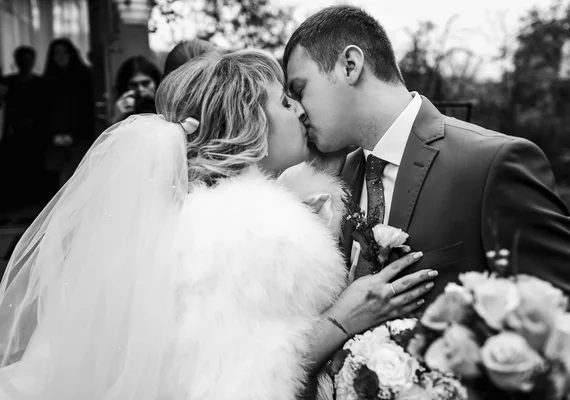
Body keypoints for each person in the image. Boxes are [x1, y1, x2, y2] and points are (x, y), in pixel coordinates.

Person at [0, 49, 436, 399]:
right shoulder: (241, 228)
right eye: (285, 101)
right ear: (252, 123)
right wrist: (345, 318)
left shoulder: (216, 208)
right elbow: (241, 383)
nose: (300, 110)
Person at [283, 6, 570, 324]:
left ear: (349, 66)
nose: (297, 109)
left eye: (300, 89)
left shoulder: (491, 164)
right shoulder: (333, 183)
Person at [43, 38, 94, 196]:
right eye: (56, 53)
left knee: (79, 180)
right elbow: (45, 112)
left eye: (64, 52)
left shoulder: (85, 75)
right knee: (59, 184)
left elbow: (87, 109)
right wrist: (53, 135)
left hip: (81, 137)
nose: (61, 56)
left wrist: (73, 134)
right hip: (55, 139)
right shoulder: (47, 80)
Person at [0, 46, 47, 208]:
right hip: (14, 130)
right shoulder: (9, 82)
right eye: (22, 60)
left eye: (29, 60)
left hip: (36, 131)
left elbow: (45, 108)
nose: (26, 63)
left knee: (35, 166)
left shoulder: (40, 82)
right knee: (15, 167)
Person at [112, 56, 162, 124]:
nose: (140, 89)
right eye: (133, 85)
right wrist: (116, 119)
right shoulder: (122, 111)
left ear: (156, 83)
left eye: (145, 83)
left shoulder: (165, 108)